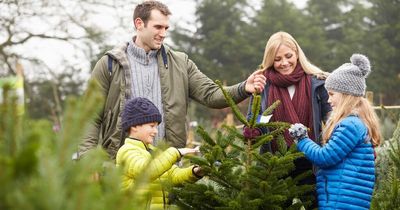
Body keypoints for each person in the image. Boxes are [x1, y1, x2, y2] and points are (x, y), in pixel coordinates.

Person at [79, 0, 266, 160]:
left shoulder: (181, 63)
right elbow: (89, 116)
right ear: (139, 24)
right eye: (158, 27)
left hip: (166, 165)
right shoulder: (109, 64)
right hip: (120, 168)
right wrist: (86, 160)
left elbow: (211, 95)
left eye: (166, 28)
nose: (163, 33)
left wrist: (243, 88)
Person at [246, 31, 331, 208]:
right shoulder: (263, 85)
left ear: (297, 54)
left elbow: (332, 119)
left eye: (288, 56)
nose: (284, 62)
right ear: (270, 60)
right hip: (275, 165)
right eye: (277, 59)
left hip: (311, 162)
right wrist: (253, 130)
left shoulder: (317, 82)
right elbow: (255, 119)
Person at [289, 54, 381, 209]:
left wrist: (302, 139)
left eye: (332, 94)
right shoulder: (357, 123)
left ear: (346, 95)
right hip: (344, 199)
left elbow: (324, 157)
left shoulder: (350, 126)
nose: (328, 100)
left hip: (340, 201)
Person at [116, 97, 204, 209]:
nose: (156, 131)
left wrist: (196, 171)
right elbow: (146, 171)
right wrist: (176, 152)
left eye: (157, 126)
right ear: (134, 126)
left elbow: (173, 176)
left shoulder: (155, 152)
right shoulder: (126, 151)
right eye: (152, 126)